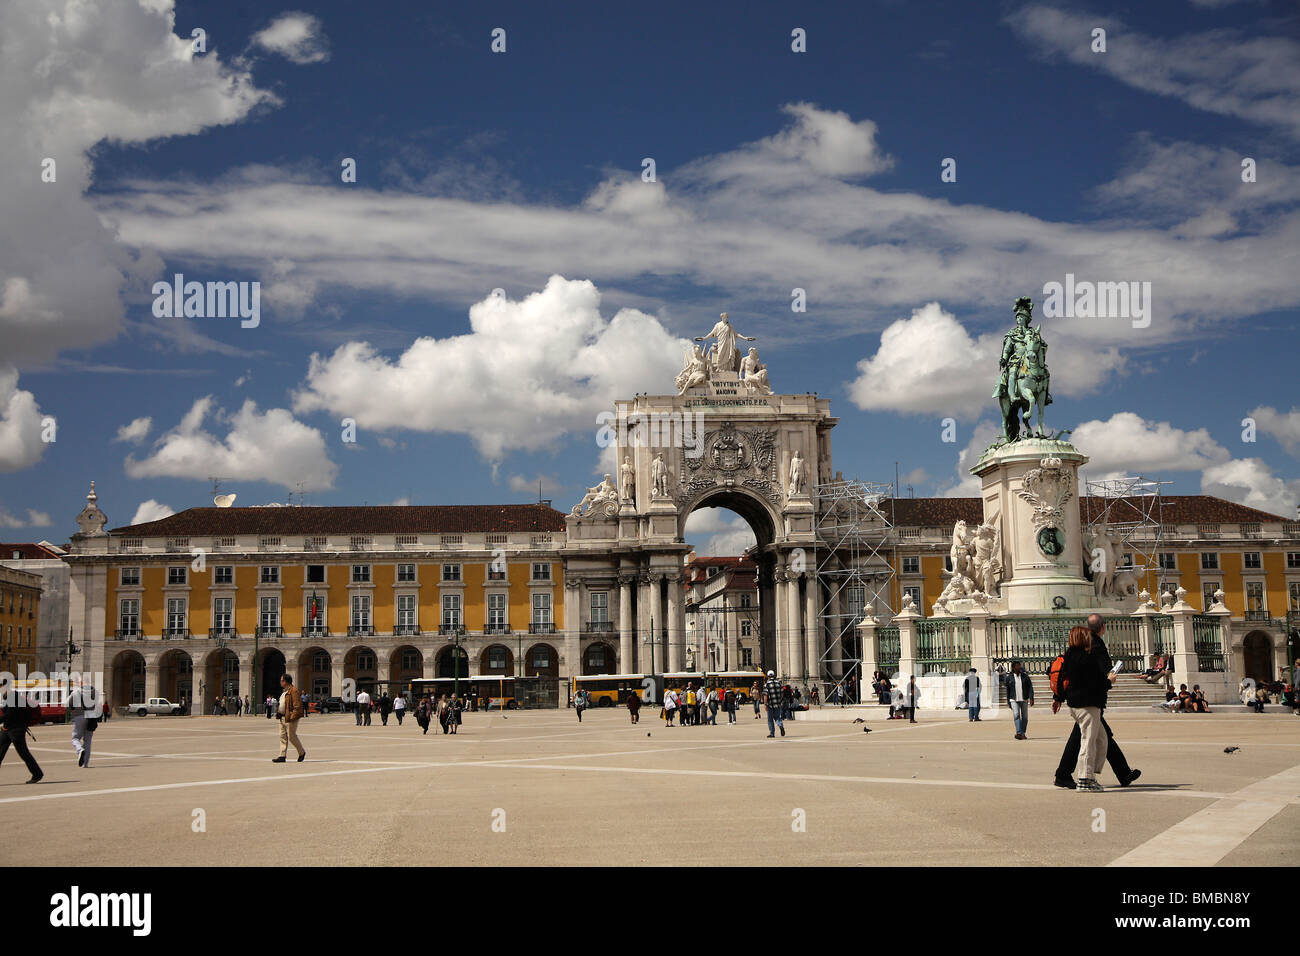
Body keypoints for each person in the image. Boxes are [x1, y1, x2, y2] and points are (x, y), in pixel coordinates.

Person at [1054, 622, 1112, 792]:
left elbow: (1062, 679)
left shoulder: (1069, 656)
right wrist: (1109, 681)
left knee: (1101, 739)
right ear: (1083, 638)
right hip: (1087, 705)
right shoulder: (1087, 658)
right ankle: (1085, 779)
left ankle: (1090, 772)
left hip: (1076, 704)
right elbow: (1096, 682)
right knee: (1088, 742)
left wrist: (1059, 697)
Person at [0, 683, 43, 783]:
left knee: (24, 754)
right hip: (7, 729)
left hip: (16, 730)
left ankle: (37, 774)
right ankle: (37, 774)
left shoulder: (13, 697)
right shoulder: (8, 696)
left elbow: (10, 714)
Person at [270, 673, 306, 763]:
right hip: (282, 717)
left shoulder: (294, 691)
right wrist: (279, 712)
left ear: (286, 681)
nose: (280, 682)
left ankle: (301, 752)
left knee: (291, 737)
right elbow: (283, 704)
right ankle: (282, 756)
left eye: (282, 680)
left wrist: (292, 717)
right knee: (282, 736)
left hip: (290, 718)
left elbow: (297, 706)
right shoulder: (284, 691)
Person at [70, 685, 102, 768]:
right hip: (91, 717)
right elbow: (98, 705)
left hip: (79, 716)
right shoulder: (96, 693)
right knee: (88, 741)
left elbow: (69, 704)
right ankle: (85, 763)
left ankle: (80, 749)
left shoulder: (76, 693)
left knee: (75, 738)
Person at [1003, 661, 1034, 739]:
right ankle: (1019, 732)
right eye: (1017, 666)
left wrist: (1031, 698)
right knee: (1016, 715)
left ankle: (1023, 733)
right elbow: (1008, 691)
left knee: (1025, 717)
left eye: (1019, 666)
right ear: (1013, 668)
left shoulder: (1025, 677)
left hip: (1024, 699)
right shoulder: (1009, 678)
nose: (1018, 667)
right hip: (1013, 699)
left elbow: (1030, 687)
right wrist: (1008, 702)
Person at [762, 670, 786, 738]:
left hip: (770, 705)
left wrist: (765, 704)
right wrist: (779, 700)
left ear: (768, 676)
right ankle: (780, 725)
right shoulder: (779, 683)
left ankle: (772, 733)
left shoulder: (766, 685)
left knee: (770, 719)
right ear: (774, 675)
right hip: (777, 704)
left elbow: (765, 695)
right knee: (777, 717)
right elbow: (782, 693)